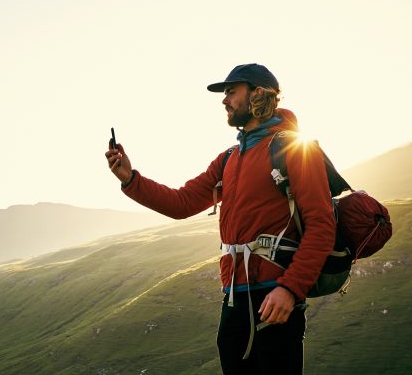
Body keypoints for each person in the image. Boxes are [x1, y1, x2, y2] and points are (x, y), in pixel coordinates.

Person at [105, 63, 336, 374]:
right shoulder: (229, 158)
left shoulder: (294, 148)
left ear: (258, 95)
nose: (224, 100)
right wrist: (130, 178)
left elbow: (322, 225)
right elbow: (181, 202)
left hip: (276, 296)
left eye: (231, 92)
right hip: (234, 299)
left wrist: (291, 289)